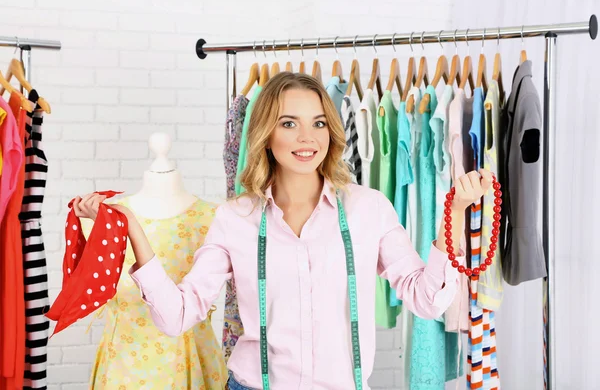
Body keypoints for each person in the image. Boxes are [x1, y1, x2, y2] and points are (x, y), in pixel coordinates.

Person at [74, 72, 492, 390]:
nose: (306, 137)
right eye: (289, 123)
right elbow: (177, 315)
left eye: (318, 123)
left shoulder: (368, 209)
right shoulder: (235, 219)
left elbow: (427, 301)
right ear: (266, 135)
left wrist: (452, 217)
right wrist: (132, 230)